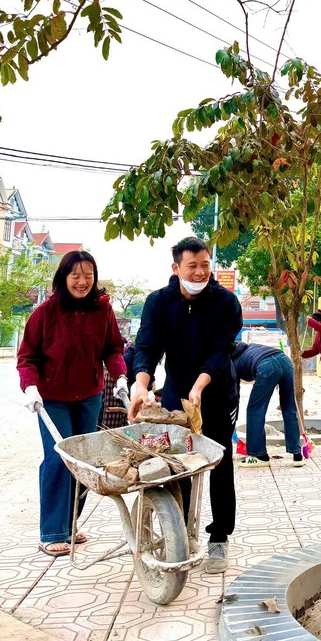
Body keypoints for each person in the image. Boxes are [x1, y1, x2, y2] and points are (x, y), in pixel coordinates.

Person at [128, 237, 242, 574]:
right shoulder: (159, 303)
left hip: (217, 388)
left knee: (218, 461)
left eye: (205, 264)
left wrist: (202, 383)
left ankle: (219, 537)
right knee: (179, 463)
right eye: (192, 265)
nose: (201, 271)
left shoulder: (226, 302)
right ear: (176, 268)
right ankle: (182, 531)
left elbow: (223, 350)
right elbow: (147, 347)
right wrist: (141, 384)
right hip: (177, 390)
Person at [17, 250, 127, 557]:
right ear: (64, 278)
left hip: (89, 397)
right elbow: (27, 356)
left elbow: (113, 349)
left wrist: (120, 376)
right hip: (52, 399)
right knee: (58, 460)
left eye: (88, 276)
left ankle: (69, 525)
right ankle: (51, 531)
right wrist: (30, 387)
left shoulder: (103, 310)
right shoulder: (45, 312)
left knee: (83, 464)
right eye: (75, 275)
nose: (82, 282)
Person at [231, 342, 305, 468]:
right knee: (289, 407)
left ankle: (259, 456)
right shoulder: (250, 348)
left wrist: (233, 417)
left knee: (255, 409)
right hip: (285, 360)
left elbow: (234, 394)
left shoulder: (232, 362)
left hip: (267, 366)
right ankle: (297, 455)